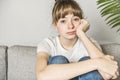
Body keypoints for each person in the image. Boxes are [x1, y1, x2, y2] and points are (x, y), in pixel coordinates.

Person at [36, 0, 119, 80]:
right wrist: (96, 63)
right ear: (55, 25)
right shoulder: (48, 44)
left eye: (75, 19)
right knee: (58, 60)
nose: (70, 26)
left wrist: (81, 33)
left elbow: (108, 73)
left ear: (81, 22)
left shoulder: (89, 43)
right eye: (63, 21)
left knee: (86, 59)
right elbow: (42, 76)